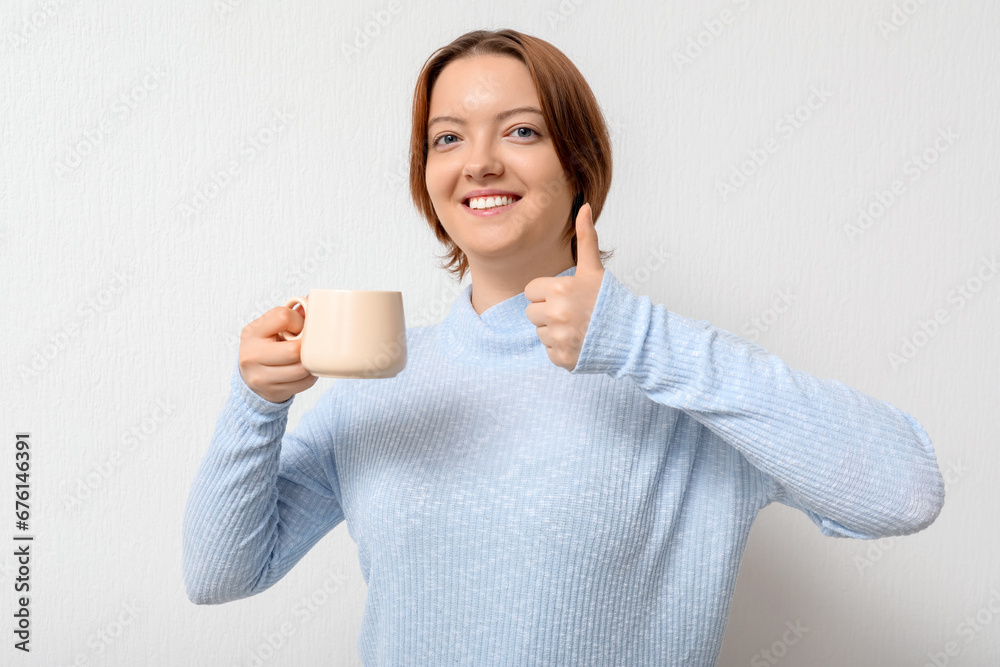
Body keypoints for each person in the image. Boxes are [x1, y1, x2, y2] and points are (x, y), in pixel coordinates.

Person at [182, 29, 946, 666]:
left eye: (522, 130)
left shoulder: (671, 371)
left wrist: (636, 339)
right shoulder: (378, 379)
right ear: (427, 178)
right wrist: (257, 404)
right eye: (447, 138)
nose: (479, 162)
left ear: (578, 163)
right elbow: (219, 573)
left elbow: (906, 491)